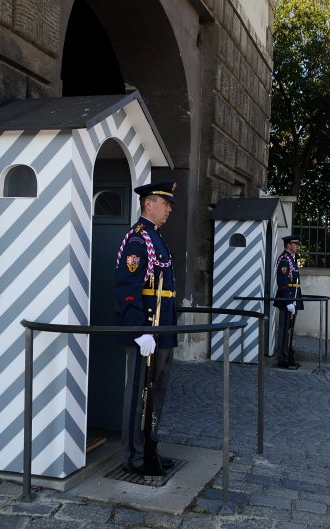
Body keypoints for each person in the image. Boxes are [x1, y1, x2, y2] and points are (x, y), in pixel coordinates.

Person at [114, 181, 178, 475]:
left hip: (162, 330)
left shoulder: (156, 238)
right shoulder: (138, 240)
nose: (169, 209)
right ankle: (133, 457)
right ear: (149, 203)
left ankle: (148, 449)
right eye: (165, 203)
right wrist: (139, 330)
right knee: (138, 396)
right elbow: (128, 288)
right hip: (147, 331)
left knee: (157, 394)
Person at [274, 234, 304, 369]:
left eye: (297, 244)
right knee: (284, 330)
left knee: (289, 330)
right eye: (294, 244)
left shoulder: (291, 259)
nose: (297, 246)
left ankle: (287, 357)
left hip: (292, 300)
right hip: (288, 301)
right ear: (288, 245)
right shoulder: (285, 260)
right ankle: (282, 359)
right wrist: (288, 302)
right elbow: (283, 283)